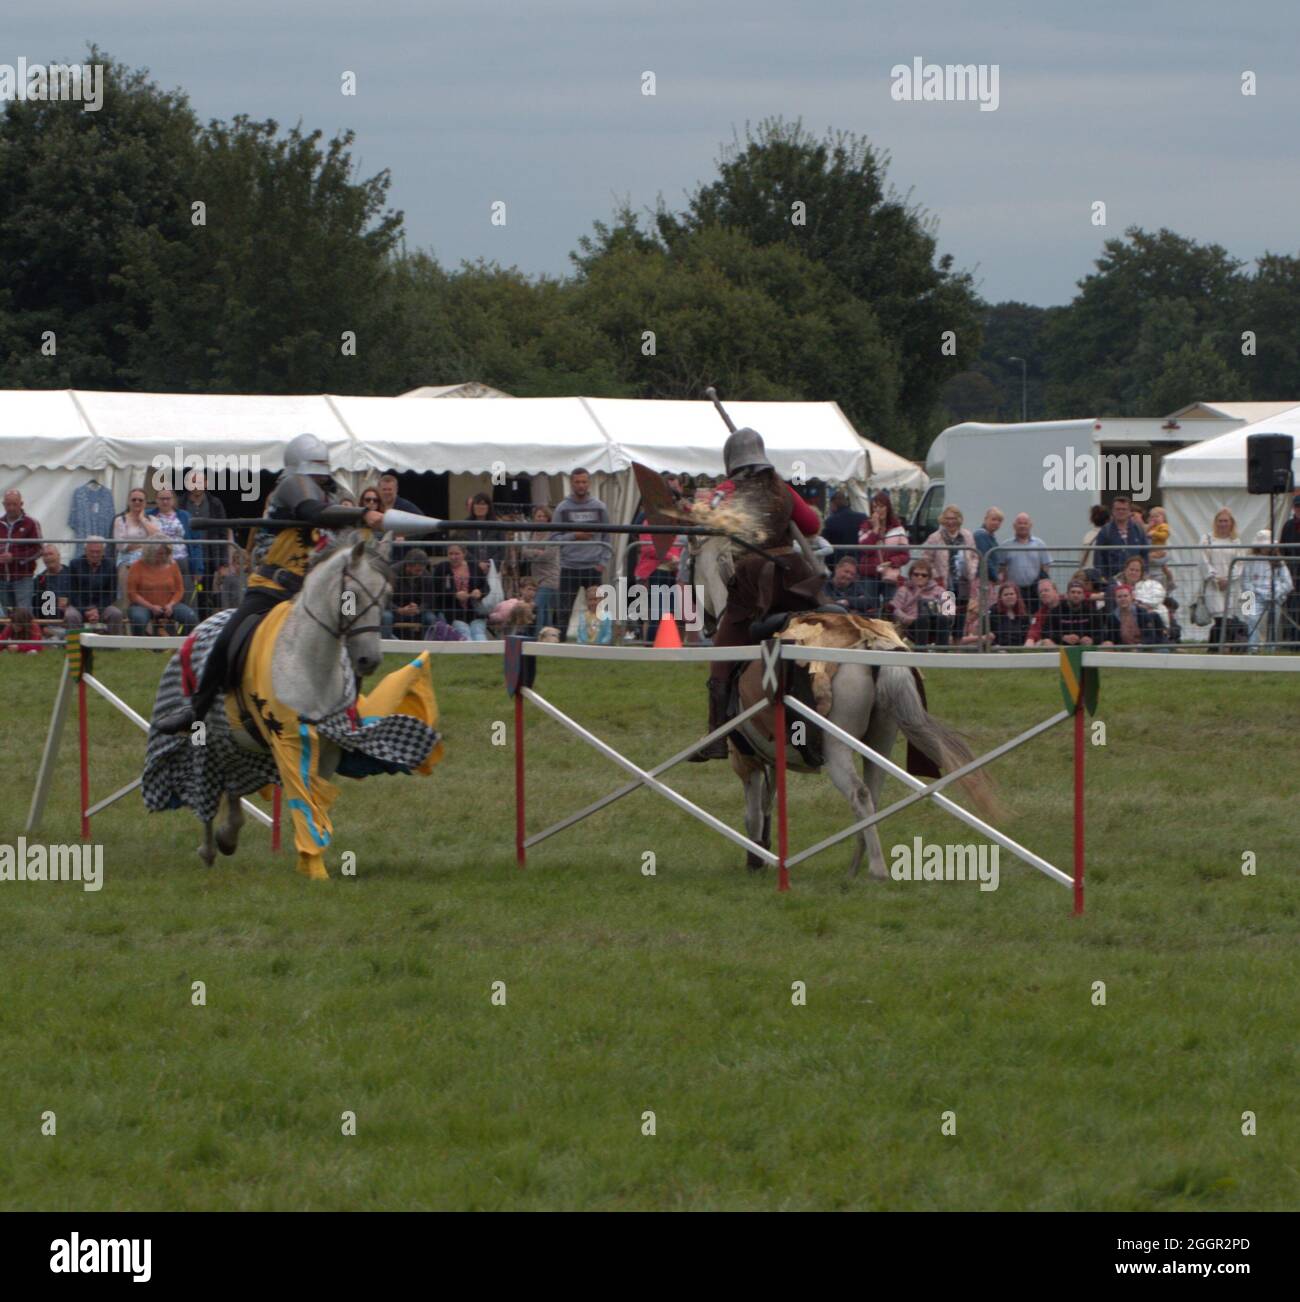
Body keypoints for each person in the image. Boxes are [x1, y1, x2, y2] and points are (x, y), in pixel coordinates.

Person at [154, 433, 384, 734]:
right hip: (274, 588)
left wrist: (362, 521)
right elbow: (311, 512)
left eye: (320, 473)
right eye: (312, 472)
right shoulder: (291, 488)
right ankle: (197, 710)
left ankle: (348, 714)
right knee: (229, 638)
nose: (317, 478)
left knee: (353, 623)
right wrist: (364, 514)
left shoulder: (331, 499)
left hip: (316, 591)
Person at [694, 426, 825, 762]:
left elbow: (706, 518)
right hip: (794, 574)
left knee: (722, 652)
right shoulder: (782, 488)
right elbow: (811, 525)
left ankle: (716, 735)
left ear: (731, 462)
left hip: (753, 579)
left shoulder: (727, 489)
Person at [553, 469, 611, 642]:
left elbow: (608, 536)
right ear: (572, 483)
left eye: (584, 482)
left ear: (589, 483)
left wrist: (603, 561)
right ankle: (558, 644)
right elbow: (553, 538)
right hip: (569, 566)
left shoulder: (600, 507)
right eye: (577, 482)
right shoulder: (562, 508)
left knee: (598, 609)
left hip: (593, 566)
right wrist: (575, 535)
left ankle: (600, 641)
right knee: (563, 610)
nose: (581, 485)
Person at [1198, 507, 1248, 650]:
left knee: (1228, 618)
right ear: (1215, 522)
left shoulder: (1236, 541)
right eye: (1220, 521)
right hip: (1213, 585)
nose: (1223, 524)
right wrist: (1215, 578)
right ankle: (1216, 648)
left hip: (1230, 585)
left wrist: (1228, 579)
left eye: (1226, 521)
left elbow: (1239, 564)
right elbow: (1203, 560)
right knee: (1220, 618)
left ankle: (1216, 648)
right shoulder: (1207, 539)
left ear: (1231, 523)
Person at [184, 471, 232, 617]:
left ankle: (202, 626)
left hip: (209, 557)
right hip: (187, 558)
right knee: (187, 596)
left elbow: (223, 533)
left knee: (204, 596)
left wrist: (223, 563)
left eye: (199, 482)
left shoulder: (215, 504)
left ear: (205, 483)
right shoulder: (181, 503)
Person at [126, 543, 199, 635]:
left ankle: (179, 645)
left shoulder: (173, 564)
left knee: (191, 618)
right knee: (138, 619)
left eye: (165, 553)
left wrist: (171, 605)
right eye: (159, 553)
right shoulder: (137, 566)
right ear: (150, 553)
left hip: (169, 605)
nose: (163, 556)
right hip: (142, 606)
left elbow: (179, 590)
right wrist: (151, 607)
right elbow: (132, 594)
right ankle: (142, 647)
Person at [1240, 529, 1294, 651]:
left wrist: (1276, 592)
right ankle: (1252, 647)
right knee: (1251, 619)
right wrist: (1257, 592)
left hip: (1275, 596)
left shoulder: (1279, 561)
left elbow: (1288, 583)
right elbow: (1245, 582)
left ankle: (1271, 649)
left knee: (1273, 623)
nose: (1266, 549)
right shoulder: (1250, 560)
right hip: (1254, 595)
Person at [856, 493, 909, 611]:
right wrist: (875, 529)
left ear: (888, 508)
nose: (878, 510)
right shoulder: (865, 527)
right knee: (869, 608)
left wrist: (891, 562)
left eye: (881, 506)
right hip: (869, 574)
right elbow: (865, 549)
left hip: (890, 574)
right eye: (875, 507)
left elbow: (905, 555)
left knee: (890, 608)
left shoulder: (898, 529)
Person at [993, 514, 1052, 613]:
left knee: (1036, 614)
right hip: (1015, 590)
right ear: (1014, 526)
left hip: (1034, 588)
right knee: (1018, 615)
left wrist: (1042, 583)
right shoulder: (1006, 545)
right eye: (1020, 523)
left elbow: (1046, 565)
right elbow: (1001, 567)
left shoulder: (1039, 544)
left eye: (1025, 523)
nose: (1022, 526)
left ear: (1030, 525)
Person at [923, 505, 979, 611]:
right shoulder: (935, 537)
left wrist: (972, 570)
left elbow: (975, 556)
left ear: (958, 520)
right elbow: (926, 560)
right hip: (944, 584)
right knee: (948, 615)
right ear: (943, 520)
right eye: (947, 519)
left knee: (961, 617)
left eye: (953, 519)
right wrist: (936, 576)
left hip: (964, 584)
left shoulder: (967, 536)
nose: (950, 522)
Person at [112, 489, 163, 603]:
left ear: (145, 503)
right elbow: (121, 546)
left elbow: (159, 539)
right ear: (129, 502)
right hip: (127, 563)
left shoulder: (153, 520)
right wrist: (146, 543)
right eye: (134, 499)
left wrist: (142, 520)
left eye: (140, 500)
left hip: (149, 562)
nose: (137, 502)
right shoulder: (120, 520)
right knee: (128, 597)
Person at [66, 537, 125, 634]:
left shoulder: (110, 565)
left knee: (116, 614)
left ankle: (112, 647)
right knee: (71, 616)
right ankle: (75, 648)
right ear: (85, 551)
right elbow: (72, 592)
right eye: (91, 551)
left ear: (103, 551)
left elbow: (112, 594)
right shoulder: (75, 564)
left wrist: (97, 609)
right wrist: (86, 610)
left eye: (98, 552)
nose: (95, 554)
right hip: (79, 605)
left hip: (102, 606)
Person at [146, 487, 195, 603]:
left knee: (186, 592)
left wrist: (198, 568)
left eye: (168, 498)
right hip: (159, 561)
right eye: (161, 499)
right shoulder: (148, 515)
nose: (165, 502)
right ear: (156, 500)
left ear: (173, 500)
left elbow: (195, 541)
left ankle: (187, 619)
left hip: (182, 560)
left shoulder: (184, 516)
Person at [889, 558, 953, 646]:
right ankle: (921, 651)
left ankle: (942, 653)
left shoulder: (939, 590)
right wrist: (907, 619)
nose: (920, 577)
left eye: (924, 575)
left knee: (943, 619)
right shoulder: (904, 590)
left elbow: (949, 610)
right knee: (922, 619)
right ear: (910, 575)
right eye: (916, 574)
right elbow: (895, 609)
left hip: (936, 622)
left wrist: (944, 614)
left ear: (929, 577)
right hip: (913, 623)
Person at [433, 543, 488, 641]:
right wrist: (454, 595)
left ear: (464, 554)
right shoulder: (441, 568)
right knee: (464, 630)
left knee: (478, 631)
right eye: (450, 554)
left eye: (457, 554)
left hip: (475, 610)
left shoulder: (474, 567)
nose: (453, 557)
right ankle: (469, 654)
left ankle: (485, 654)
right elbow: (436, 590)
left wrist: (479, 592)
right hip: (453, 611)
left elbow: (486, 587)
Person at [0, 487, 43, 615]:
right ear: (3, 504)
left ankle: (26, 635)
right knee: (7, 615)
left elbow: (39, 549)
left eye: (15, 504)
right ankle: (8, 635)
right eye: (8, 504)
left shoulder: (31, 523)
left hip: (23, 578)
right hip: (1, 578)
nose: (11, 508)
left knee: (24, 614)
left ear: (21, 504)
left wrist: (15, 557)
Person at [522, 504, 559, 637]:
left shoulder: (552, 535)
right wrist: (537, 552)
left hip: (550, 578)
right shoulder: (533, 533)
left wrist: (534, 554)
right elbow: (524, 551)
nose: (541, 518)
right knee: (544, 610)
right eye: (538, 516)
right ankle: (548, 637)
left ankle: (534, 636)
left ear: (548, 518)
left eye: (544, 516)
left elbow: (549, 555)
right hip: (536, 578)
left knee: (536, 606)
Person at [383, 549, 438, 639]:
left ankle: (427, 648)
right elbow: (384, 598)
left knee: (431, 618)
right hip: (395, 610)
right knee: (386, 617)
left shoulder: (426, 575)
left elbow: (429, 600)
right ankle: (385, 647)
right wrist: (398, 609)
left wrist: (418, 609)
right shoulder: (392, 573)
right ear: (408, 566)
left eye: (422, 569)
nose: (420, 573)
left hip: (415, 611)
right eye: (417, 570)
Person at [1092, 494, 1148, 582]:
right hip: (1112, 580)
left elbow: (1145, 554)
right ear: (1113, 511)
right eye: (1118, 509)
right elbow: (1098, 557)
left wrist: (1145, 573)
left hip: (1135, 579)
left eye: (1124, 509)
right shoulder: (1105, 531)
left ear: (1130, 512)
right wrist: (1102, 578)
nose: (1121, 512)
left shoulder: (1138, 530)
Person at [1101, 583, 1165, 647]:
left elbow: (1150, 636)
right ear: (1115, 599)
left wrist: (1141, 646)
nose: (1123, 599)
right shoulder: (1112, 617)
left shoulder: (1142, 612)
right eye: (1119, 597)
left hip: (1144, 649)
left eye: (1125, 596)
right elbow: (1111, 638)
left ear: (1132, 597)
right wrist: (1108, 642)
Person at [821, 490, 868, 565]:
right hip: (859, 560)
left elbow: (824, 540)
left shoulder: (829, 521)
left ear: (833, 504)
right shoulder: (862, 517)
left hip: (837, 561)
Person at [1278, 493, 1300, 645]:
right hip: (1292, 573)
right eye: (1297, 507)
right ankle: (1293, 641)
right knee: (1293, 607)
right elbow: (1282, 548)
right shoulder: (1288, 525)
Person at [1052, 579, 1101, 645]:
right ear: (1067, 594)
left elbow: (1101, 634)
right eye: (1073, 592)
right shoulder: (1056, 611)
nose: (1076, 595)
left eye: (1079, 592)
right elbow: (1046, 632)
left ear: (1084, 595)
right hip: (1062, 648)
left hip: (1086, 648)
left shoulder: (1092, 612)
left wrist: (1092, 640)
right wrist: (1063, 638)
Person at [34, 545, 73, 625]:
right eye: (45, 555)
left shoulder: (72, 574)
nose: (48, 557)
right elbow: (36, 607)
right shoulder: (39, 580)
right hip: (48, 623)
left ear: (59, 556)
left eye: (51, 554)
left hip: (70, 619)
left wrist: (69, 602)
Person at [987, 582, 1030, 648]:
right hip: (998, 650)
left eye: (1012, 594)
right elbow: (986, 633)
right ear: (1000, 597)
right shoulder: (993, 611)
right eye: (1006, 594)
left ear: (1017, 595)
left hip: (1019, 650)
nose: (1009, 596)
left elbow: (1028, 634)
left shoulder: (1024, 613)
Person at [1025, 579, 1064, 646]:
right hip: (1054, 646)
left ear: (1055, 591)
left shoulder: (1067, 603)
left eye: (1046, 590)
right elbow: (1034, 630)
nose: (1043, 593)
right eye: (1040, 592)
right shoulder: (1040, 613)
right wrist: (1030, 639)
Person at [1080, 504, 1109, 570]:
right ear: (1107, 520)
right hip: (1104, 573)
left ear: (1092, 519)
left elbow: (1081, 559)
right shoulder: (1109, 536)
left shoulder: (1087, 536)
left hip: (1088, 572)